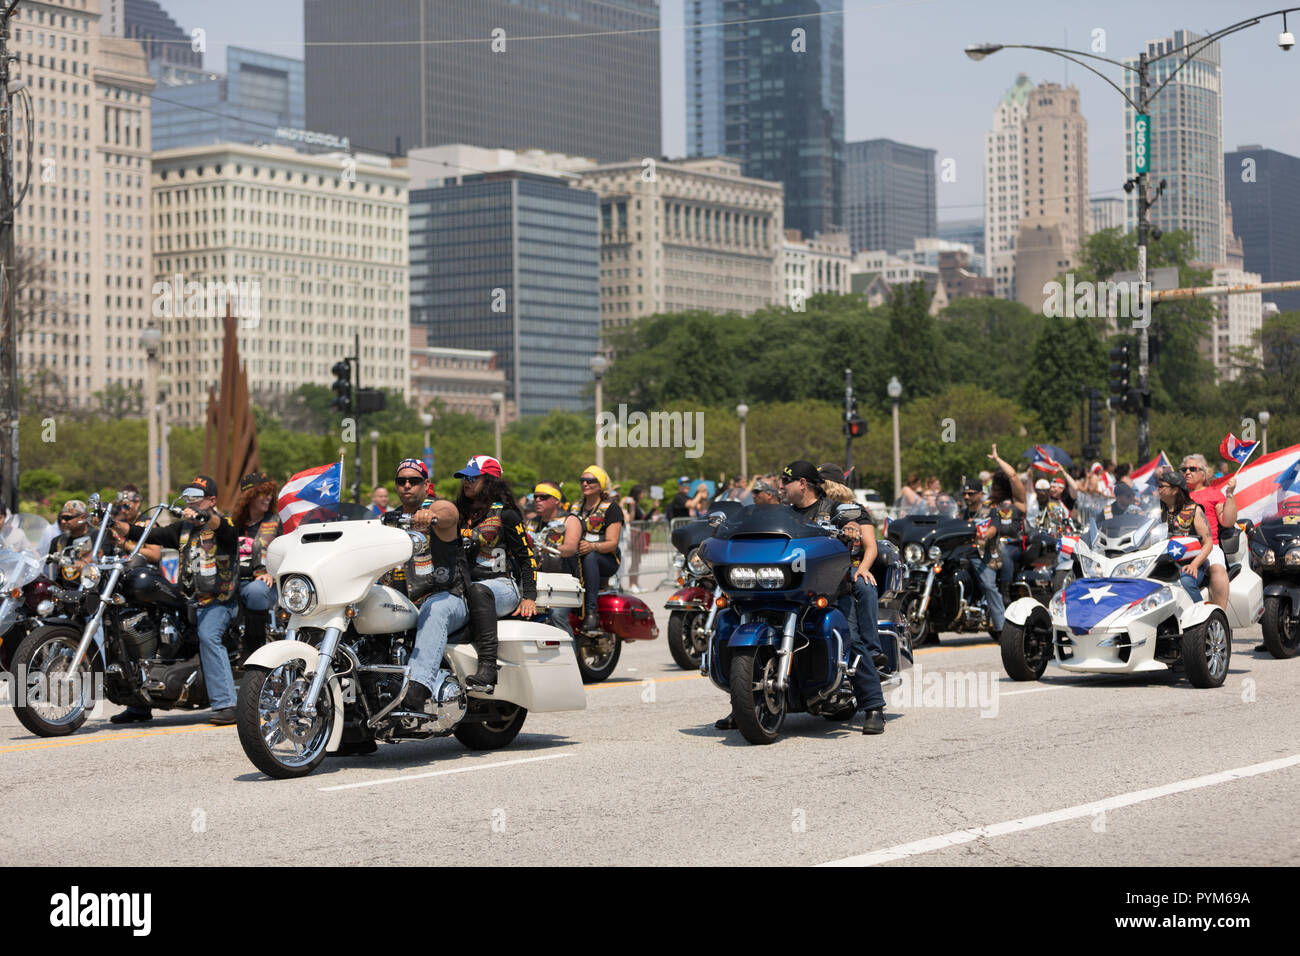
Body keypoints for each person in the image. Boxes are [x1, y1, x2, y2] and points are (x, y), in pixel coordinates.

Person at [716, 460, 886, 736]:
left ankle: (874, 706)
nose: (780, 487)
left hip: (829, 589)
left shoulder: (831, 509)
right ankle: (743, 706)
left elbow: (852, 523)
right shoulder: (785, 514)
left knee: (848, 637)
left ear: (803, 484)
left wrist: (851, 529)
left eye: (786, 482)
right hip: (787, 590)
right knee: (730, 622)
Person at [118, 475, 240, 725]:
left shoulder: (224, 525)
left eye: (196, 497)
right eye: (187, 496)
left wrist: (206, 518)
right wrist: (114, 524)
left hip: (218, 602)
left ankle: (226, 703)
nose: (189, 502)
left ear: (211, 500)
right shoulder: (182, 529)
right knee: (146, 626)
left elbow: (223, 528)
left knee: (208, 636)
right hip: (188, 600)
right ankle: (138, 705)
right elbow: (149, 535)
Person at [455, 455, 537, 688]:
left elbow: (526, 555)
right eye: (464, 478)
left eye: (473, 478)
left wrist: (529, 595)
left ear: (490, 481)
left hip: (500, 585)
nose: (466, 482)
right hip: (465, 585)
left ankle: (488, 667)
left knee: (479, 591)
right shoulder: (458, 513)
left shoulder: (507, 514)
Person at [231, 472, 281, 652]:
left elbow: (286, 553)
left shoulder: (276, 522)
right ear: (249, 496)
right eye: (263, 493)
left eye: (270, 493)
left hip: (264, 583)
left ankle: (253, 649)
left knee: (255, 591)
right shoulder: (233, 524)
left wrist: (272, 573)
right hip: (232, 580)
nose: (268, 497)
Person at [569, 465, 622, 631]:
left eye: (590, 481)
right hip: (577, 555)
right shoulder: (575, 507)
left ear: (600, 485)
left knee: (591, 557)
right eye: (582, 480)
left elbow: (613, 543)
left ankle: (592, 611)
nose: (585, 484)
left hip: (606, 558)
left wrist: (592, 546)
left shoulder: (611, 508)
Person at [1180, 453, 1235, 611]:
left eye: (1192, 469)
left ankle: (1220, 616)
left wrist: (1230, 494)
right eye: (1184, 469)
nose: (1187, 472)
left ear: (1204, 473)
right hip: (1180, 545)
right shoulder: (1177, 494)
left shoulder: (1213, 493)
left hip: (1208, 545)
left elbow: (1227, 521)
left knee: (1217, 569)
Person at [1156, 469, 1213, 604]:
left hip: (1188, 562)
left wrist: (1194, 565)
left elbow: (1208, 543)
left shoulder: (1194, 510)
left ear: (1175, 490)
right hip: (1161, 563)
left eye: (1161, 486)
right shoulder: (1157, 512)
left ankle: (1200, 616)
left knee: (1186, 581)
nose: (1158, 490)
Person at [959, 477, 1006, 635]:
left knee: (988, 585)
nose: (966, 497)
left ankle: (1001, 628)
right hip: (961, 555)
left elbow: (994, 528)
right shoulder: (961, 514)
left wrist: (985, 535)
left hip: (982, 556)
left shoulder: (989, 511)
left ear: (980, 494)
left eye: (970, 494)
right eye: (964, 493)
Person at [47, 500, 94, 585]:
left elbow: (98, 557)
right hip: (62, 592)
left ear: (82, 517)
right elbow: (45, 562)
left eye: (68, 518)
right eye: (62, 518)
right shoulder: (58, 541)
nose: (63, 521)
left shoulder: (96, 537)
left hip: (87, 589)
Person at [619, 484, 655, 592]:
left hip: (639, 533)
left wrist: (653, 509)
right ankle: (631, 584)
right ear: (638, 493)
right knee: (634, 560)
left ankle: (635, 583)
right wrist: (631, 506)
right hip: (634, 533)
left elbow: (643, 519)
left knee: (637, 560)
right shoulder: (631, 504)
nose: (644, 494)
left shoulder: (637, 504)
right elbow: (632, 518)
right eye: (642, 492)